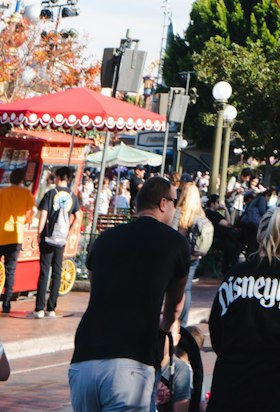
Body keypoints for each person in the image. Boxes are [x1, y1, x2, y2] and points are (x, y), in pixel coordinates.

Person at [68, 176, 190, 412]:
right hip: (131, 360)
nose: (176, 209)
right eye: (175, 202)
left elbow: (96, 289)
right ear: (164, 203)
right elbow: (175, 304)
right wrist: (165, 330)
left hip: (85, 356)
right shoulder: (175, 243)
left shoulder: (105, 239)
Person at [209, 205, 280, 412]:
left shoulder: (236, 274)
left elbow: (216, 327)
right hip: (278, 385)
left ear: (260, 235)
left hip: (231, 382)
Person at [34, 166, 80, 318]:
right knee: (57, 272)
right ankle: (51, 308)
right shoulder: (73, 196)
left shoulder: (50, 193)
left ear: (58, 177)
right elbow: (78, 217)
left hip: (48, 237)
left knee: (44, 271)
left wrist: (39, 233)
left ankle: (39, 308)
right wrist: (69, 231)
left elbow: (43, 215)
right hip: (61, 239)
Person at [174, 181, 213, 328]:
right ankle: (182, 322)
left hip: (179, 255)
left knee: (172, 287)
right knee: (187, 288)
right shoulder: (200, 214)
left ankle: (173, 317)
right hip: (194, 255)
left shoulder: (180, 212)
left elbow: (171, 233)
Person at [0, 165, 36, 314]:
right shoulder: (27, 194)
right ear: (22, 180)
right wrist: (25, 221)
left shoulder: (2, 192)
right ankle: (7, 302)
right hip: (16, 235)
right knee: (11, 270)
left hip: (1, 233)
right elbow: (32, 211)